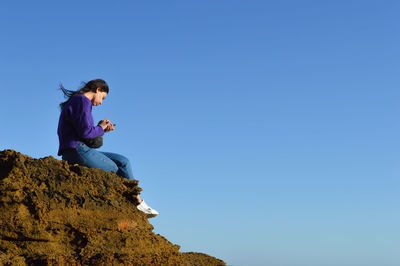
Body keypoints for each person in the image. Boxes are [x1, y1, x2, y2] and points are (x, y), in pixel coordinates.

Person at [57, 79, 158, 217]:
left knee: (124, 161)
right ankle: (133, 202)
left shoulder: (80, 102)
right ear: (98, 89)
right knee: (114, 169)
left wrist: (101, 129)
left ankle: (138, 200)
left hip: (81, 148)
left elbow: (88, 135)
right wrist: (101, 128)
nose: (101, 102)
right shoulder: (82, 101)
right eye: (103, 97)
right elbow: (85, 132)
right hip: (76, 150)